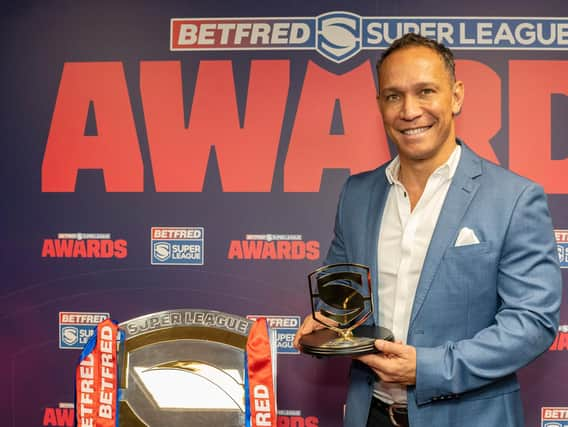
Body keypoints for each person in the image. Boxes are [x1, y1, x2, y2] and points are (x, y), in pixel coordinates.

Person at [293, 33, 562, 427]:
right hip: (370, 415)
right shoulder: (356, 193)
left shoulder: (514, 197)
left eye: (425, 91)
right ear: (380, 105)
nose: (409, 110)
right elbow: (342, 299)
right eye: (393, 96)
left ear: (455, 96)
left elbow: (532, 322)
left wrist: (428, 366)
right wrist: (326, 323)